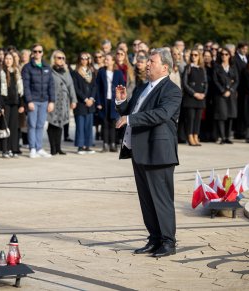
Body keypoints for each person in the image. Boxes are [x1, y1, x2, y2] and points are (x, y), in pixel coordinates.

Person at [115, 48, 182, 258]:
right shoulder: (143, 88)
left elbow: (161, 114)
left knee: (161, 199)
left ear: (165, 67)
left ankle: (168, 242)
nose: (147, 65)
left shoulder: (172, 90)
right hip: (140, 150)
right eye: (148, 62)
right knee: (146, 200)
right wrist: (122, 102)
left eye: (152, 62)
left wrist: (130, 119)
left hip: (159, 152)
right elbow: (132, 112)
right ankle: (154, 239)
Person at [22, 43, 55, 158]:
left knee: (41, 125)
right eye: (35, 51)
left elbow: (51, 85)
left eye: (39, 51)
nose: (37, 53)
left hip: (44, 100)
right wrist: (29, 101)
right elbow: (25, 86)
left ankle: (39, 148)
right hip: (33, 101)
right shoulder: (27, 67)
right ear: (32, 52)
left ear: (42, 53)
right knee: (32, 125)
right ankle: (32, 148)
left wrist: (52, 101)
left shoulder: (47, 67)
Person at [47, 50, 77, 155]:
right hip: (54, 100)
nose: (61, 60)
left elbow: (71, 86)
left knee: (60, 124)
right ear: (54, 59)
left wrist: (73, 100)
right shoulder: (49, 71)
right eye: (59, 58)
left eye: (63, 58)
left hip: (64, 100)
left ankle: (58, 148)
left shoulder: (66, 71)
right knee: (52, 123)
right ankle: (52, 148)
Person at [96, 53, 125, 152]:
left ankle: (113, 144)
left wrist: (121, 101)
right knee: (104, 122)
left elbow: (122, 87)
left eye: (108, 59)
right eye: (105, 59)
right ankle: (105, 144)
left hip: (114, 102)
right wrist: (98, 102)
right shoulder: (101, 72)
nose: (106, 61)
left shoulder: (118, 73)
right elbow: (98, 88)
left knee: (113, 123)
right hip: (104, 101)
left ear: (113, 61)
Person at [0, 52, 24, 158]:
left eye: (10, 58)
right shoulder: (1, 72)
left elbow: (20, 90)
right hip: (5, 104)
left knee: (14, 127)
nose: (8, 60)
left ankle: (13, 149)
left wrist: (22, 104)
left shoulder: (17, 72)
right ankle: (5, 149)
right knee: (5, 127)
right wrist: (1, 106)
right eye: (6, 58)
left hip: (15, 103)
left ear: (13, 60)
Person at [71, 52, 97, 154]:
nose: (84, 60)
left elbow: (95, 86)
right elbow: (76, 88)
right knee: (80, 125)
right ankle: (80, 146)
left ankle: (88, 145)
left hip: (91, 102)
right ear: (79, 60)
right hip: (81, 103)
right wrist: (85, 99)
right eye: (82, 58)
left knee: (88, 125)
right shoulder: (75, 72)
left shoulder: (93, 72)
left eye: (86, 58)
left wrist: (91, 98)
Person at [213, 48, 239, 144]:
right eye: (222, 54)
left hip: (231, 94)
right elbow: (215, 80)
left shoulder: (233, 67)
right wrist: (223, 90)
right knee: (222, 115)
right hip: (220, 95)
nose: (224, 56)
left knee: (230, 115)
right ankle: (222, 137)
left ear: (229, 56)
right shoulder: (217, 67)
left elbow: (236, 80)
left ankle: (228, 137)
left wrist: (231, 90)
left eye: (226, 54)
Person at [182, 49, 207, 146]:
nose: (193, 56)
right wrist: (194, 94)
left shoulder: (202, 68)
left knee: (198, 118)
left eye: (196, 55)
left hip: (201, 97)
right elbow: (185, 83)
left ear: (199, 56)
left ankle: (196, 136)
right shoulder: (187, 67)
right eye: (192, 54)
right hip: (190, 98)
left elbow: (205, 83)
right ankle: (190, 136)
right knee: (190, 118)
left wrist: (204, 93)